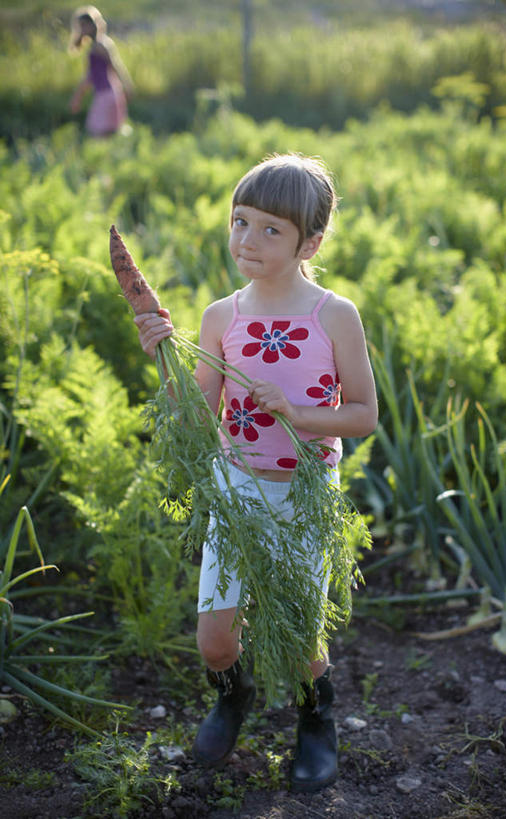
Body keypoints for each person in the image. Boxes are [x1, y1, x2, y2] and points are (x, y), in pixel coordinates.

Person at [135, 153, 378, 792]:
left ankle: (316, 721)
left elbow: (363, 415)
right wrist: (161, 353)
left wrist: (299, 414)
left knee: (299, 634)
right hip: (236, 490)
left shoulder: (334, 316)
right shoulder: (223, 317)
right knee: (215, 638)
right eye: (240, 221)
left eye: (271, 229)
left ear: (312, 242)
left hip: (303, 493)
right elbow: (193, 414)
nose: (247, 239)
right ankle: (232, 695)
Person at [69, 5, 133, 137]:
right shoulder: (102, 44)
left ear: (89, 26)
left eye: (82, 26)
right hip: (111, 93)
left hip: (106, 95)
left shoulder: (99, 47)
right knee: (108, 136)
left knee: (97, 134)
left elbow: (110, 69)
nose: (80, 30)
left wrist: (77, 97)